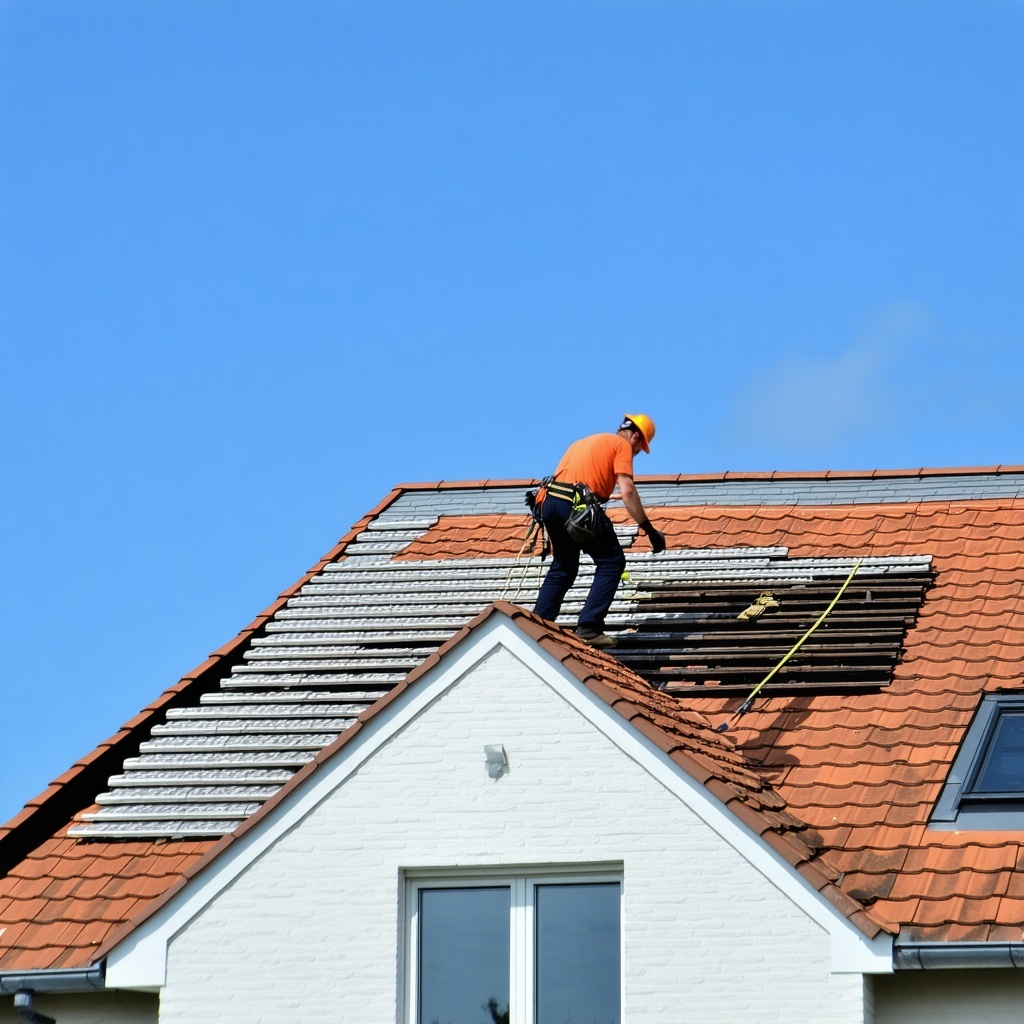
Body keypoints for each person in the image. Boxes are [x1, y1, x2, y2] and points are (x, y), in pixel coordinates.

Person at [533, 414, 666, 648]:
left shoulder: (584, 442)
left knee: (564, 564)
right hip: (574, 505)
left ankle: (538, 624)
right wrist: (649, 529)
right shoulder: (621, 445)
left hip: (549, 503)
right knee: (612, 561)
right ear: (636, 436)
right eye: (638, 449)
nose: (635, 453)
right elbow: (627, 490)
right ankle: (589, 627)